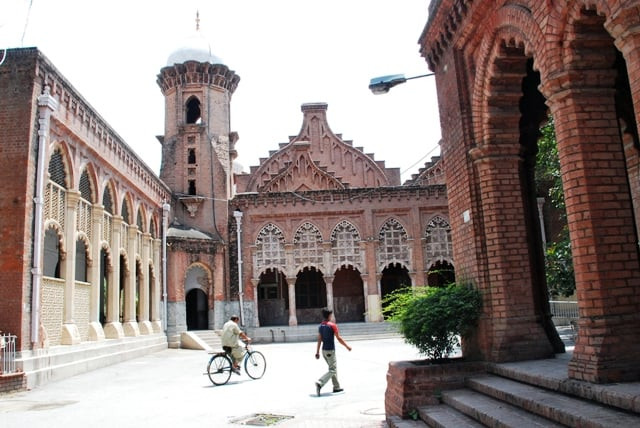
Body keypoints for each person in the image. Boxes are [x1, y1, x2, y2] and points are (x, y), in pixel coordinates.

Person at [314, 308, 351, 396]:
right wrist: (347, 346)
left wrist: (317, 352)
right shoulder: (332, 325)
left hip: (324, 351)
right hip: (330, 351)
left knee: (332, 368)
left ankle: (336, 387)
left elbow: (319, 339)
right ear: (330, 316)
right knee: (332, 369)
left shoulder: (321, 326)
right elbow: (339, 338)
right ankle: (320, 382)